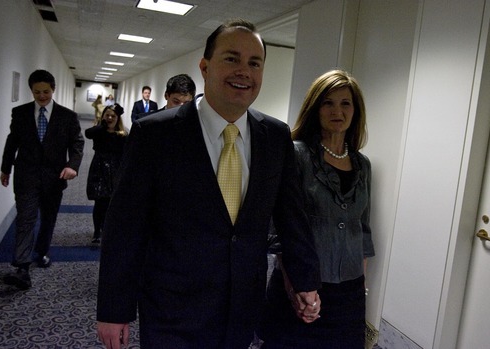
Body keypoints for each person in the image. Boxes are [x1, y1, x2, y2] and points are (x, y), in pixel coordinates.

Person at [96, 18, 321, 349]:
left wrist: (304, 281)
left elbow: (292, 217)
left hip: (242, 306)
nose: (244, 71)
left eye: (254, 63)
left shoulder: (275, 137)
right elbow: (125, 227)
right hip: (172, 308)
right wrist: (114, 309)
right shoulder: (155, 134)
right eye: (231, 59)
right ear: (204, 66)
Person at [260, 70, 375, 348]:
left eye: (345, 103)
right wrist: (295, 288)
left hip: (349, 294)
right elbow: (282, 233)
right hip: (303, 286)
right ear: (315, 108)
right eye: (328, 103)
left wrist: (361, 289)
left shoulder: (363, 165)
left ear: (355, 110)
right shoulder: (295, 155)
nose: (338, 110)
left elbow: (363, 230)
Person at [0, 69, 84, 290]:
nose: (42, 96)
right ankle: (22, 267)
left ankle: (42, 251)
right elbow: (12, 142)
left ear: (53, 90)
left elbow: (77, 144)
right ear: (31, 91)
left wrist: (72, 166)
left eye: (46, 91)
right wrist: (5, 168)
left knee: (48, 219)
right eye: (37, 92)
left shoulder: (67, 116)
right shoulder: (20, 113)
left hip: (53, 178)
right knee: (25, 219)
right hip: (26, 176)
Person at [85, 104, 128, 244]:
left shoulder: (122, 135)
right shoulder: (99, 131)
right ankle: (97, 231)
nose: (110, 118)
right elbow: (88, 133)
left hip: (115, 170)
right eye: (107, 115)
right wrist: (102, 126)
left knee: (111, 203)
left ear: (118, 118)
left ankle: (107, 228)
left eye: (113, 116)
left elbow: (126, 155)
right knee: (99, 202)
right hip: (99, 169)